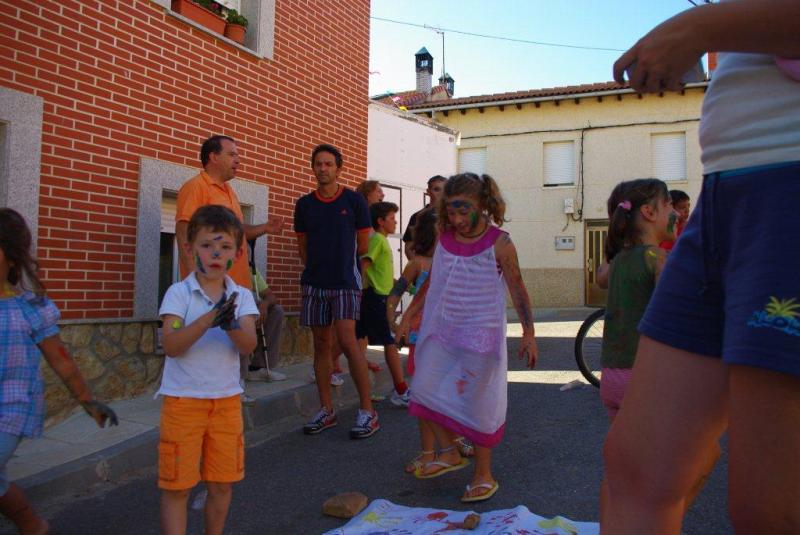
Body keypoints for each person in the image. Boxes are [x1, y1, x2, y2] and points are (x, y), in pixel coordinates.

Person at [604, 2, 800, 532]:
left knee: (772, 508)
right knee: (637, 472)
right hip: (723, 196)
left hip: (786, 188)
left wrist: (698, 27)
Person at [396, 173, 538, 503]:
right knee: (423, 389)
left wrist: (529, 333)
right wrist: (408, 315)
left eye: (464, 211)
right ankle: (449, 452)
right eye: (452, 211)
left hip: (482, 338)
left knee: (479, 404)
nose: (458, 219)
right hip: (444, 332)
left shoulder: (500, 243)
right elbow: (433, 283)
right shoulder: (445, 239)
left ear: (484, 205)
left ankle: (483, 475)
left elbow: (517, 288)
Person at [0, 208, 118, 534]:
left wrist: (88, 402)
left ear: (11, 256)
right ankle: (32, 524)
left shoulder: (28, 308)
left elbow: (62, 360)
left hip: (11, 408)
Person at [157, 205, 258, 535]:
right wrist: (207, 320)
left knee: (222, 484)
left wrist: (230, 324)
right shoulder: (178, 293)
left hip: (226, 404)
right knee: (177, 487)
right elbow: (172, 344)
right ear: (189, 249)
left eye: (225, 246)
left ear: (238, 253)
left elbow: (248, 345)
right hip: (182, 404)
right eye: (207, 245)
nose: (216, 253)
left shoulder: (242, 297)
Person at [175, 135, 288, 400]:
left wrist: (265, 228)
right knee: (216, 342)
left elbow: (239, 232)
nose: (238, 160)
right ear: (213, 157)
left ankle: (236, 387)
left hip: (237, 283)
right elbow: (183, 231)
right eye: (232, 154)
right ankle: (216, 392)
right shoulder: (196, 187)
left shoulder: (229, 192)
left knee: (236, 338)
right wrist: (195, 281)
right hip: (211, 284)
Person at [294, 143, 379, 439]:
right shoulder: (304, 205)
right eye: (318, 164)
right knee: (320, 345)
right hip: (314, 282)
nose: (323, 169)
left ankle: (367, 411)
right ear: (313, 168)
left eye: (328, 164)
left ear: (338, 169)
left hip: (345, 282)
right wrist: (317, 269)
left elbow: (363, 245)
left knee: (347, 340)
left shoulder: (354, 201)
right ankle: (326, 410)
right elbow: (303, 247)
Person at [387, 208, 475, 473]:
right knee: (423, 396)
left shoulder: (453, 262)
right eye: (443, 229)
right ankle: (428, 452)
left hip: (450, 337)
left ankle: (452, 442)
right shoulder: (418, 264)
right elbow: (395, 294)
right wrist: (393, 320)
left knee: (445, 395)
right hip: (422, 337)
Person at [599, 179, 674, 420]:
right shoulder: (659, 258)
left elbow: (601, 279)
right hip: (646, 375)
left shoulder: (618, 259)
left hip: (612, 375)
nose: (675, 213)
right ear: (649, 212)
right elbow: (670, 317)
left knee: (623, 444)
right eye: (669, 205)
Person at [356, 202, 408, 405]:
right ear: (380, 221)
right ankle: (401, 390)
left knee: (355, 338)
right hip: (376, 298)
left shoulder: (382, 241)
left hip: (378, 297)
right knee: (389, 342)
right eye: (392, 218)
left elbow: (381, 274)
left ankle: (328, 368)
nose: (396, 222)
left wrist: (408, 287)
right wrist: (358, 290)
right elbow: (364, 264)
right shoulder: (378, 240)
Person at [402, 175, 446, 260]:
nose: (441, 193)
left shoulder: (451, 216)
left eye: (444, 190)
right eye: (437, 189)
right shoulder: (417, 216)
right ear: (428, 192)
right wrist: (420, 265)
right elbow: (408, 248)